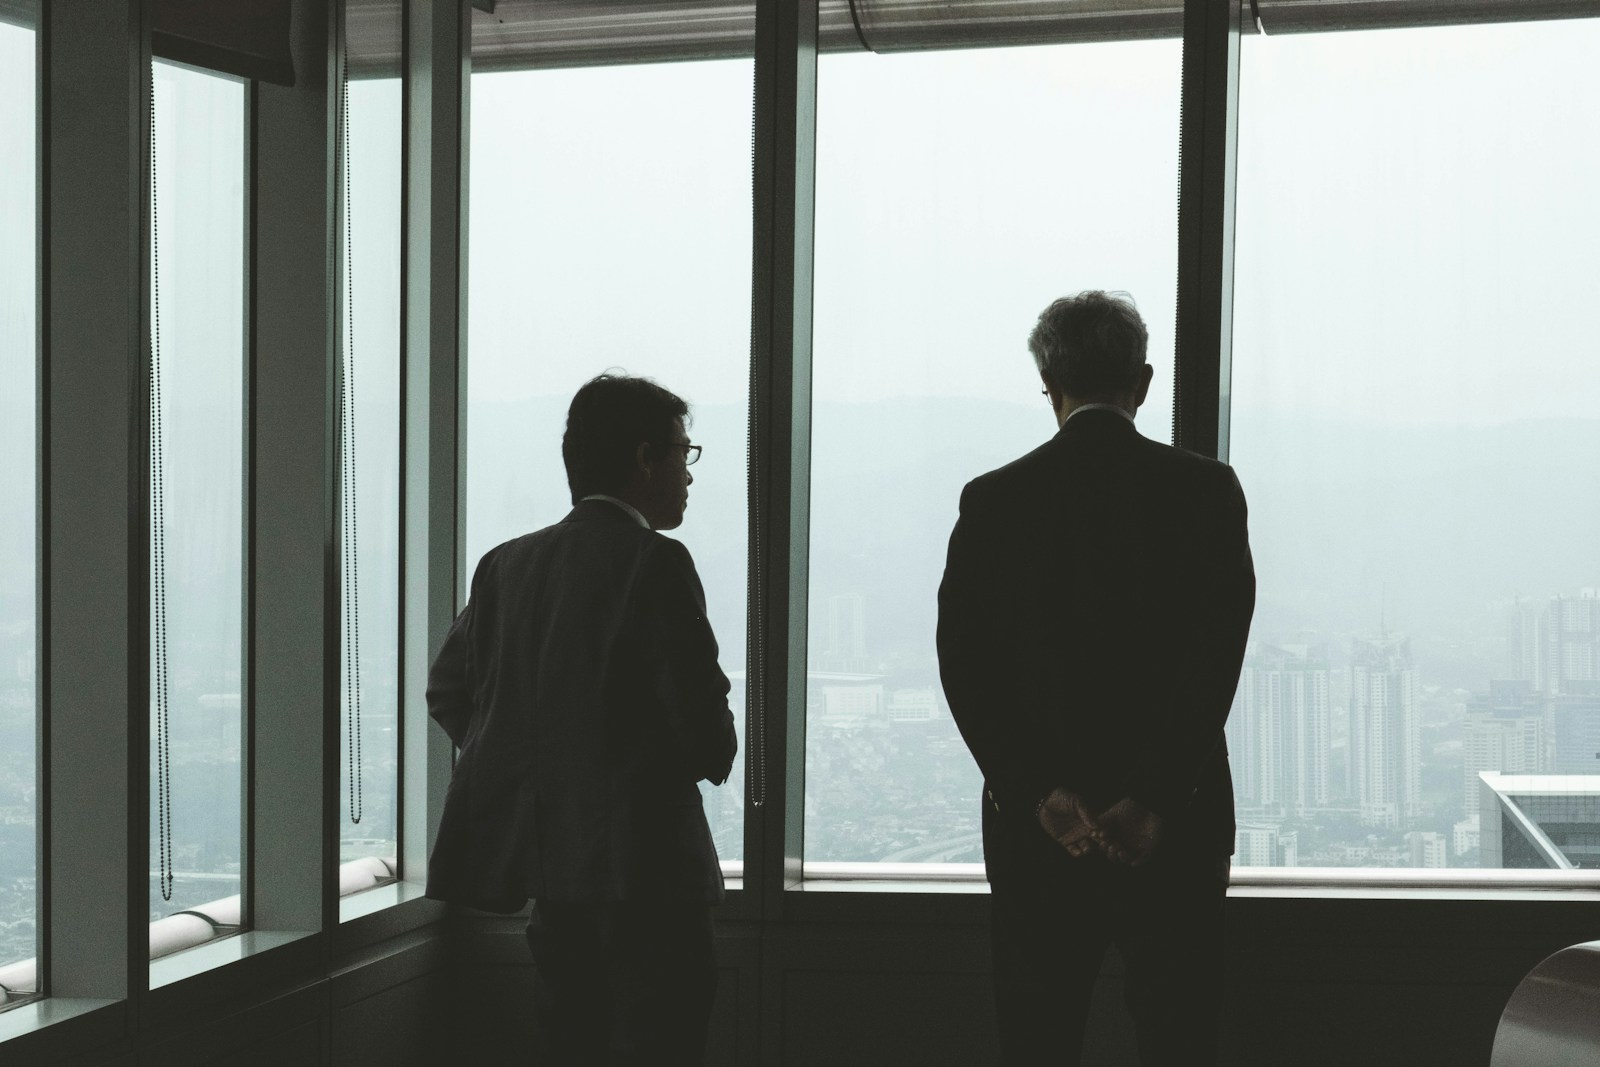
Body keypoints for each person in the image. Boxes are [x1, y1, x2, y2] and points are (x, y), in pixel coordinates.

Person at [936, 291, 1255, 1066]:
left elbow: (963, 665)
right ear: (1142, 382)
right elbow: (1215, 660)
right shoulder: (1207, 491)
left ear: (1049, 383)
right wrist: (1153, 796)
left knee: (1038, 1037)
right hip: (1173, 831)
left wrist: (1039, 791)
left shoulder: (994, 500)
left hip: (1041, 838)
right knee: (1179, 1036)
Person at [425, 372, 737, 1065]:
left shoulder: (506, 566)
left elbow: (449, 689)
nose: (689, 475)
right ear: (645, 458)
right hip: (652, 878)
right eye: (685, 454)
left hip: (555, 881)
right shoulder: (654, 562)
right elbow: (707, 741)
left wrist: (530, 757)